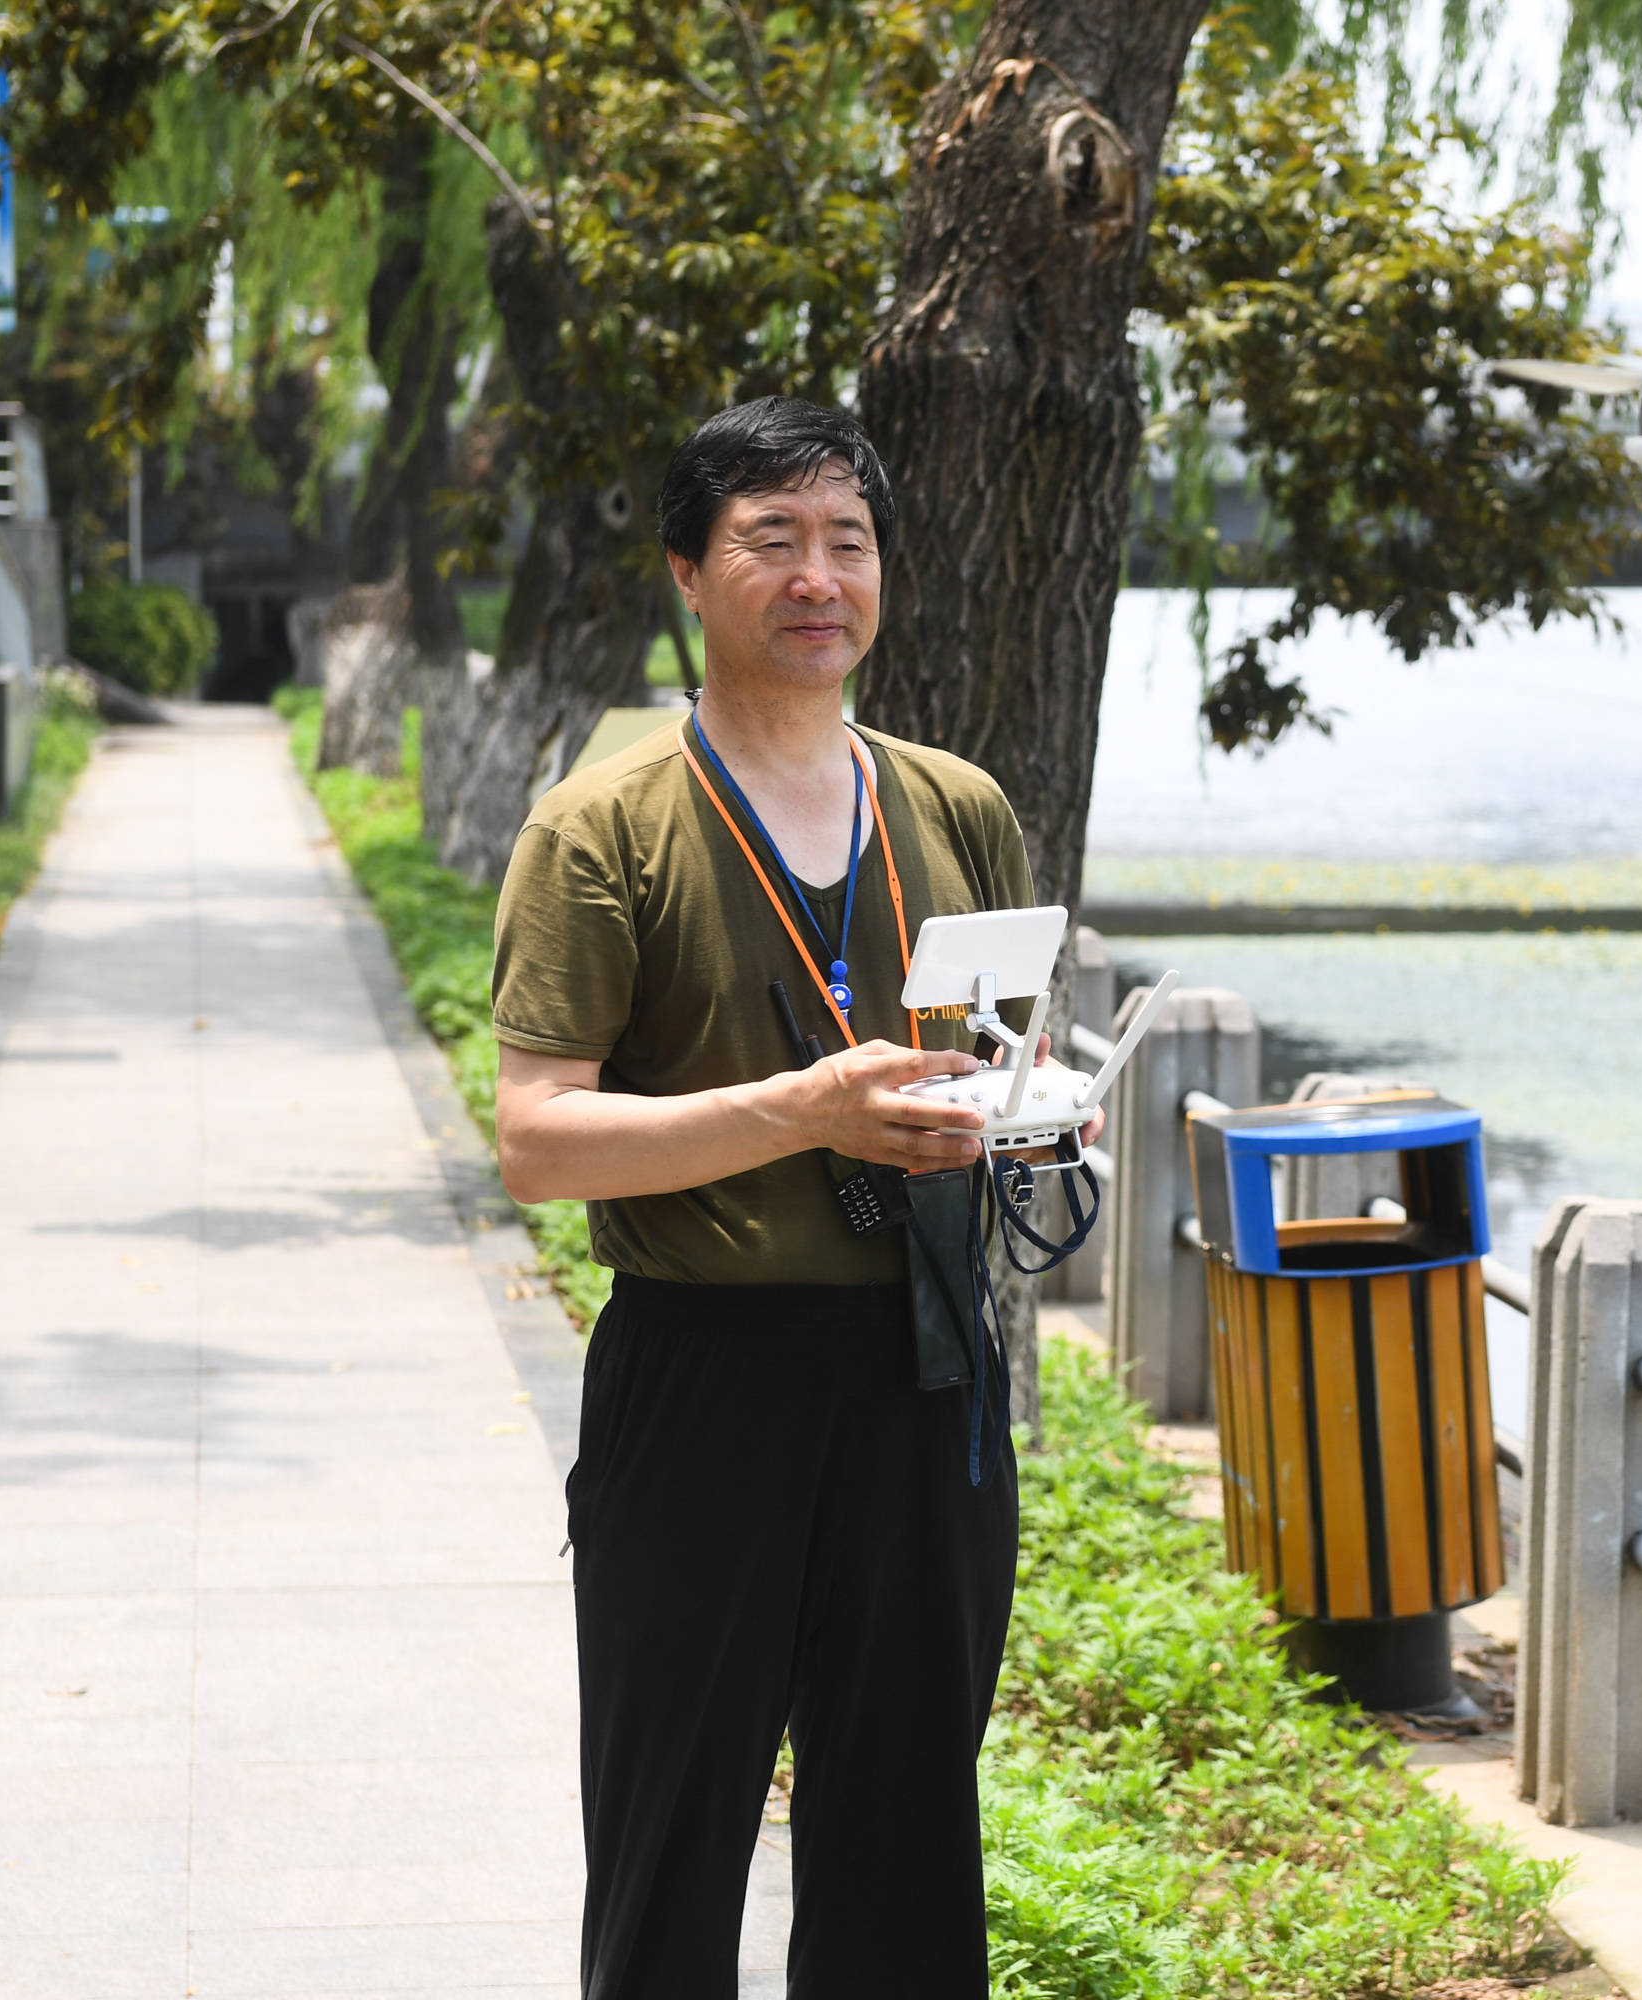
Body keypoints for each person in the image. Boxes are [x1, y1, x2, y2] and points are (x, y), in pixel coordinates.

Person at [491, 395, 1084, 1996]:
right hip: (706, 1379)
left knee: (908, 1841)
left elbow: (1002, 1066)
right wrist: (799, 1111)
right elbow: (538, 1139)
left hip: (929, 1373)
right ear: (690, 571)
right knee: (674, 1827)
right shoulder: (601, 828)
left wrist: (1022, 1126)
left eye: (849, 541)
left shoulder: (956, 806)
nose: (817, 577)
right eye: (771, 541)